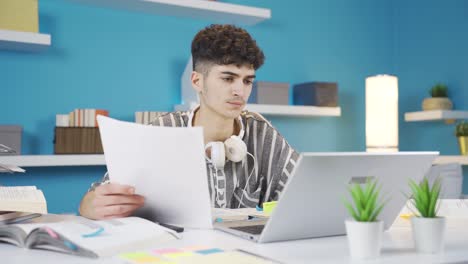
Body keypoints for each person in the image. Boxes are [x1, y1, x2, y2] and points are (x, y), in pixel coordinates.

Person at [79, 24, 299, 220]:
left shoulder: (264, 135)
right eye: (227, 78)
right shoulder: (159, 132)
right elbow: (91, 201)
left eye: (247, 81)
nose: (240, 91)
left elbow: (304, 193)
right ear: (197, 81)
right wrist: (92, 205)